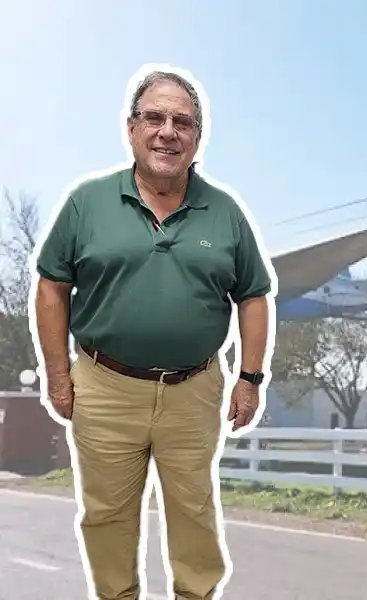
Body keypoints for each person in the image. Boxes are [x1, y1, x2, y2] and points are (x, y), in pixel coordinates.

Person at [30, 66, 275, 600]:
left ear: (197, 137)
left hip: (194, 389)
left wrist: (250, 377)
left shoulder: (225, 212)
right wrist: (57, 375)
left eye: (183, 122)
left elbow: (254, 295)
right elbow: (51, 288)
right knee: (107, 517)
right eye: (156, 118)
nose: (169, 131)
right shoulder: (86, 203)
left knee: (194, 512)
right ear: (131, 127)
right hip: (104, 387)